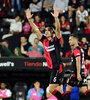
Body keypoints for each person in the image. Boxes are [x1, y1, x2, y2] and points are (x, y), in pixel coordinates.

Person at [25, 8, 65, 100]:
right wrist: (30, 20)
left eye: (48, 30)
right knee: (59, 91)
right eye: (45, 30)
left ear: (52, 32)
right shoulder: (44, 40)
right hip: (51, 68)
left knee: (51, 89)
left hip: (58, 67)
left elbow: (58, 30)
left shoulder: (56, 40)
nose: (45, 31)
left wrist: (56, 18)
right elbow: (36, 30)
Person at [65, 34, 90, 100]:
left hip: (77, 73)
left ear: (75, 40)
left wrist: (78, 74)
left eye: (70, 40)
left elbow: (78, 61)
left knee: (68, 88)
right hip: (82, 73)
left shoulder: (76, 50)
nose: (69, 41)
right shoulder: (79, 49)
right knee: (84, 90)